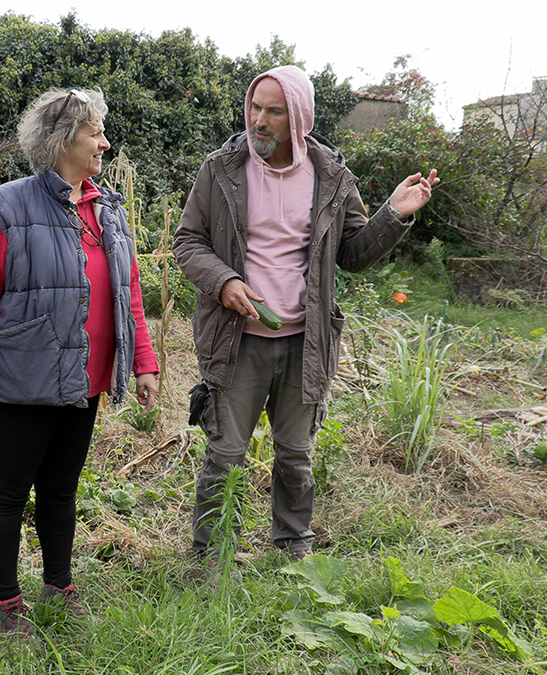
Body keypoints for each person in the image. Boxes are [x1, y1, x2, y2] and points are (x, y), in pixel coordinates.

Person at [172, 66, 438, 564]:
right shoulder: (221, 168)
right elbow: (189, 241)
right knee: (226, 453)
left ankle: (293, 545)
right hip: (235, 338)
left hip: (305, 342)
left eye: (274, 111)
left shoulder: (331, 176)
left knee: (295, 453)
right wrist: (224, 281)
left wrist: (394, 213)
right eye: (255, 107)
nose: (260, 120)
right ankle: (210, 554)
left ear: (299, 117)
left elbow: (354, 254)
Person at [0, 87, 160, 636]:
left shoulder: (106, 210)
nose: (104, 143)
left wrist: (144, 361)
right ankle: (5, 604)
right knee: (11, 490)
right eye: (95, 134)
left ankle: (59, 587)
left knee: (62, 488)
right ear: (64, 140)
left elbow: (127, 291)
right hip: (25, 374)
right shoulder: (10, 207)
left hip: (84, 378)